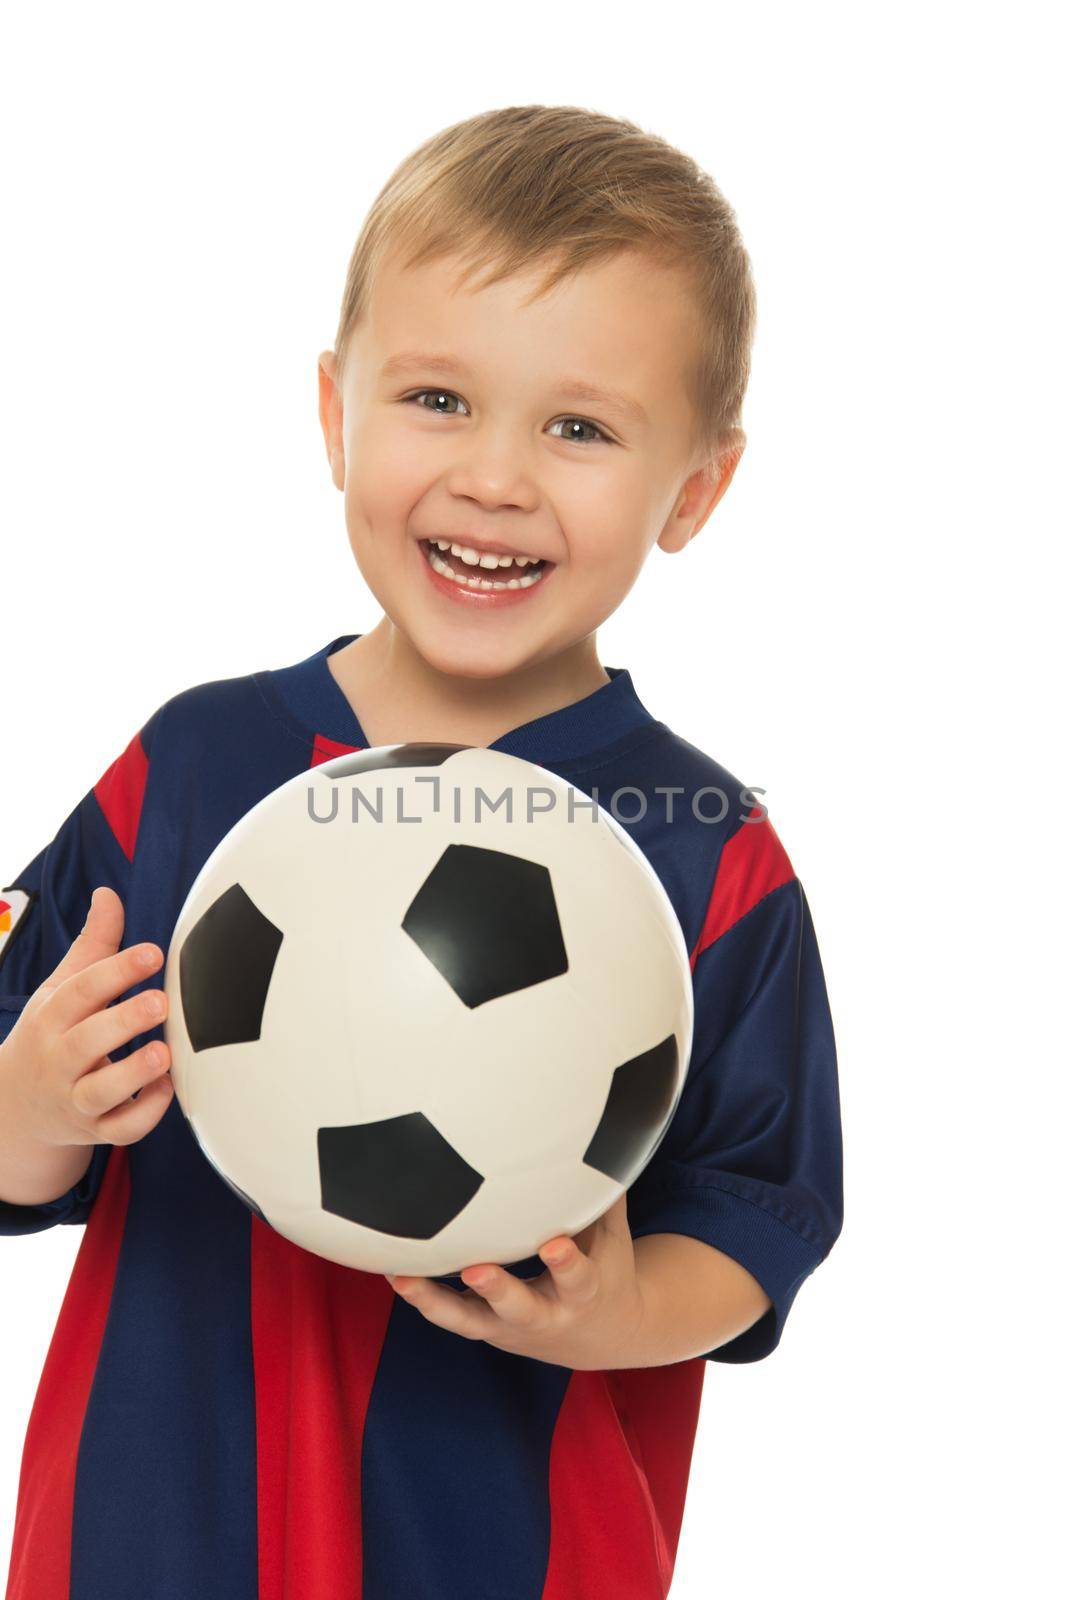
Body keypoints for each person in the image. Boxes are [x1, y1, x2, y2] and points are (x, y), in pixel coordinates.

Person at [0, 104, 843, 1599]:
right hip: (149, 1538)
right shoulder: (185, 768)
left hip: (499, 1551)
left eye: (578, 427)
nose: (497, 478)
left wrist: (620, 1307)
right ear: (335, 414)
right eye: (439, 400)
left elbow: (758, 1217)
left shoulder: (710, 852)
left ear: (696, 490)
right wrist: (32, 1100)